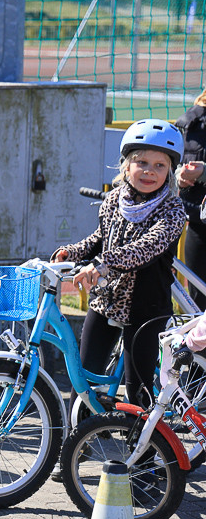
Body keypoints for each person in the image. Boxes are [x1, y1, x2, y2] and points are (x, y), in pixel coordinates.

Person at [52, 119, 187, 408]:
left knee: (138, 389)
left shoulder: (173, 210)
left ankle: (144, 451)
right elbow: (101, 237)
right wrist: (71, 252)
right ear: (126, 165)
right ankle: (78, 442)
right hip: (106, 300)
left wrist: (102, 265)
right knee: (83, 375)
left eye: (159, 165)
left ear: (170, 171)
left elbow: (145, 248)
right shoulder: (114, 199)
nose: (149, 171)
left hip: (146, 306)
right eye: (141, 162)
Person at [175, 89, 206, 308]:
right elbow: (172, 161)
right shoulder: (192, 120)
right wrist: (179, 175)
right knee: (197, 301)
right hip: (198, 220)